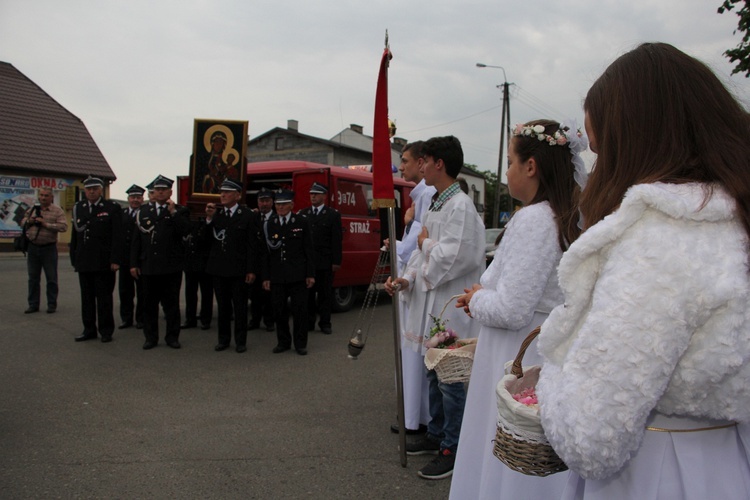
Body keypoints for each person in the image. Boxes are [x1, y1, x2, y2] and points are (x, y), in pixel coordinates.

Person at [535, 43, 750, 499]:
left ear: (635, 139)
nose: (596, 165)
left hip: (660, 474)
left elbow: (591, 437)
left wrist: (555, 369)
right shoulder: (733, 217)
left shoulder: (664, 236)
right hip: (724, 463)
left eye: (600, 147)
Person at [448, 120, 585, 499]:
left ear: (531, 166)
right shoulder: (561, 213)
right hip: (539, 344)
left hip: (514, 352)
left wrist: (476, 299)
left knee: (506, 450)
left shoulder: (534, 219)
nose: (506, 172)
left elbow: (512, 309)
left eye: (510, 162)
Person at [384, 136, 484, 480]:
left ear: (439, 163)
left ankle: (452, 448)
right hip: (433, 302)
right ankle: (436, 433)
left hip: (450, 305)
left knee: (450, 378)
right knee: (433, 371)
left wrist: (426, 242)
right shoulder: (439, 203)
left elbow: (456, 257)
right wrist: (406, 279)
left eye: (424, 161)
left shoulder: (461, 207)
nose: (420, 166)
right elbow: (421, 255)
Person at [387, 140, 436, 436]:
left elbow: (415, 249)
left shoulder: (428, 194)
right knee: (412, 355)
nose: (401, 166)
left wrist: (401, 237)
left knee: (417, 356)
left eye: (405, 161)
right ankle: (413, 415)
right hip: (412, 281)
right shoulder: (421, 194)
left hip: (419, 285)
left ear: (422, 162)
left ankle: (419, 419)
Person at [131, 175, 190, 350]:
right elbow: (137, 240)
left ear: (170, 192)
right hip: (149, 266)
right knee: (149, 305)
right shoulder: (143, 211)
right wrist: (133, 263)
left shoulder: (179, 211)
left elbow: (186, 231)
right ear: (153, 192)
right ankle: (151, 337)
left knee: (171, 305)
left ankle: (172, 337)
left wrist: (173, 213)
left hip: (171, 267)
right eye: (157, 190)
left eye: (164, 189)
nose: (160, 192)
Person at [204, 179, 257, 353]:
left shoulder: (247, 215)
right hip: (219, 269)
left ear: (237, 195)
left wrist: (250, 269)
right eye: (222, 193)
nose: (223, 195)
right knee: (223, 307)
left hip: (239, 270)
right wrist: (208, 220)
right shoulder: (217, 215)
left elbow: (251, 245)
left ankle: (240, 341)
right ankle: (223, 339)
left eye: (227, 192)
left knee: (240, 307)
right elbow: (207, 240)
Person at [70, 176, 123, 343]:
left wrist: (115, 259)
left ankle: (106, 330)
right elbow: (75, 236)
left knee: (104, 298)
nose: (91, 191)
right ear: (85, 190)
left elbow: (117, 237)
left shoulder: (111, 207)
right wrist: (74, 258)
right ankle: (89, 329)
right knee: (86, 298)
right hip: (84, 261)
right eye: (88, 189)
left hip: (103, 261)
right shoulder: (79, 207)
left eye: (94, 189)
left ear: (101, 190)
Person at [262, 189, 315, 356]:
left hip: (298, 274)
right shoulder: (270, 223)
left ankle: (300, 343)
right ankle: (283, 342)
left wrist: (310, 274)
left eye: (284, 204)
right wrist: (266, 276)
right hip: (277, 275)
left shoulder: (301, 221)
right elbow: (265, 253)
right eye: (278, 204)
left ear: (291, 205)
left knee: (300, 311)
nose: (280, 207)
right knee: (279, 311)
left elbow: (309, 250)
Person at [299, 182, 342, 335]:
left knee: (325, 294)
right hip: (308, 262)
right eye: (311, 194)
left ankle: (325, 323)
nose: (313, 197)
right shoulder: (303, 214)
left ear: (324, 196)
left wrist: (336, 261)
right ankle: (310, 321)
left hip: (325, 261)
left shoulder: (332, 215)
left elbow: (336, 240)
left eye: (316, 194)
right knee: (308, 295)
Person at [21, 187, 67, 314]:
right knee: (33, 278)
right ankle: (33, 304)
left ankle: (51, 304)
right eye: (41, 195)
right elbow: (22, 221)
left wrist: (46, 224)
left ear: (51, 197)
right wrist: (30, 221)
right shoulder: (32, 209)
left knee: (51, 278)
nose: (43, 198)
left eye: (46, 195)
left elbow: (63, 227)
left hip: (49, 248)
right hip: (33, 247)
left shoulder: (57, 211)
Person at [248, 187, 275, 332]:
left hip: (271, 264)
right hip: (256, 263)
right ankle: (255, 320)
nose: (264, 204)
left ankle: (269, 321)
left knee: (269, 294)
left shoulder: (277, 218)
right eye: (261, 201)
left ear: (272, 202)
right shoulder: (253, 218)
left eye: (267, 201)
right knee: (254, 294)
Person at [118, 184, 145, 329]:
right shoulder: (121, 214)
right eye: (133, 197)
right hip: (124, 259)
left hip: (140, 259)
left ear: (142, 199)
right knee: (125, 291)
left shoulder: (146, 213)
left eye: (138, 197)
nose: (135, 200)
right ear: (128, 199)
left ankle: (141, 318)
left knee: (142, 292)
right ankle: (126, 318)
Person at [182, 210, 213, 331]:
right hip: (190, 263)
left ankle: (206, 319)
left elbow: (207, 237)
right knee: (190, 293)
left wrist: (208, 219)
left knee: (206, 293)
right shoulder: (187, 224)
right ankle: (190, 319)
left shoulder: (206, 223)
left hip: (204, 264)